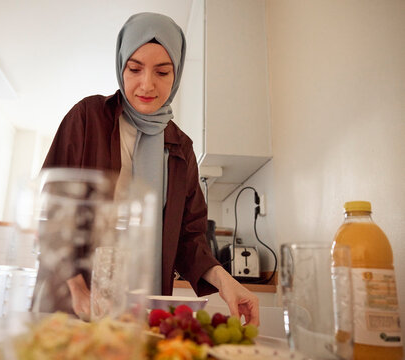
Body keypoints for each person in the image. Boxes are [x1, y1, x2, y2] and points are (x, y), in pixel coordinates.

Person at [42, 12, 259, 325]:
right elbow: (54, 210)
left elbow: (190, 239)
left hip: (139, 311)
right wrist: (77, 288)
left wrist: (229, 284)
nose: (147, 84)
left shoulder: (180, 147)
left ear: (177, 75)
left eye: (162, 72)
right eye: (135, 68)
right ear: (121, 67)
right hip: (71, 303)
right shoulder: (87, 118)